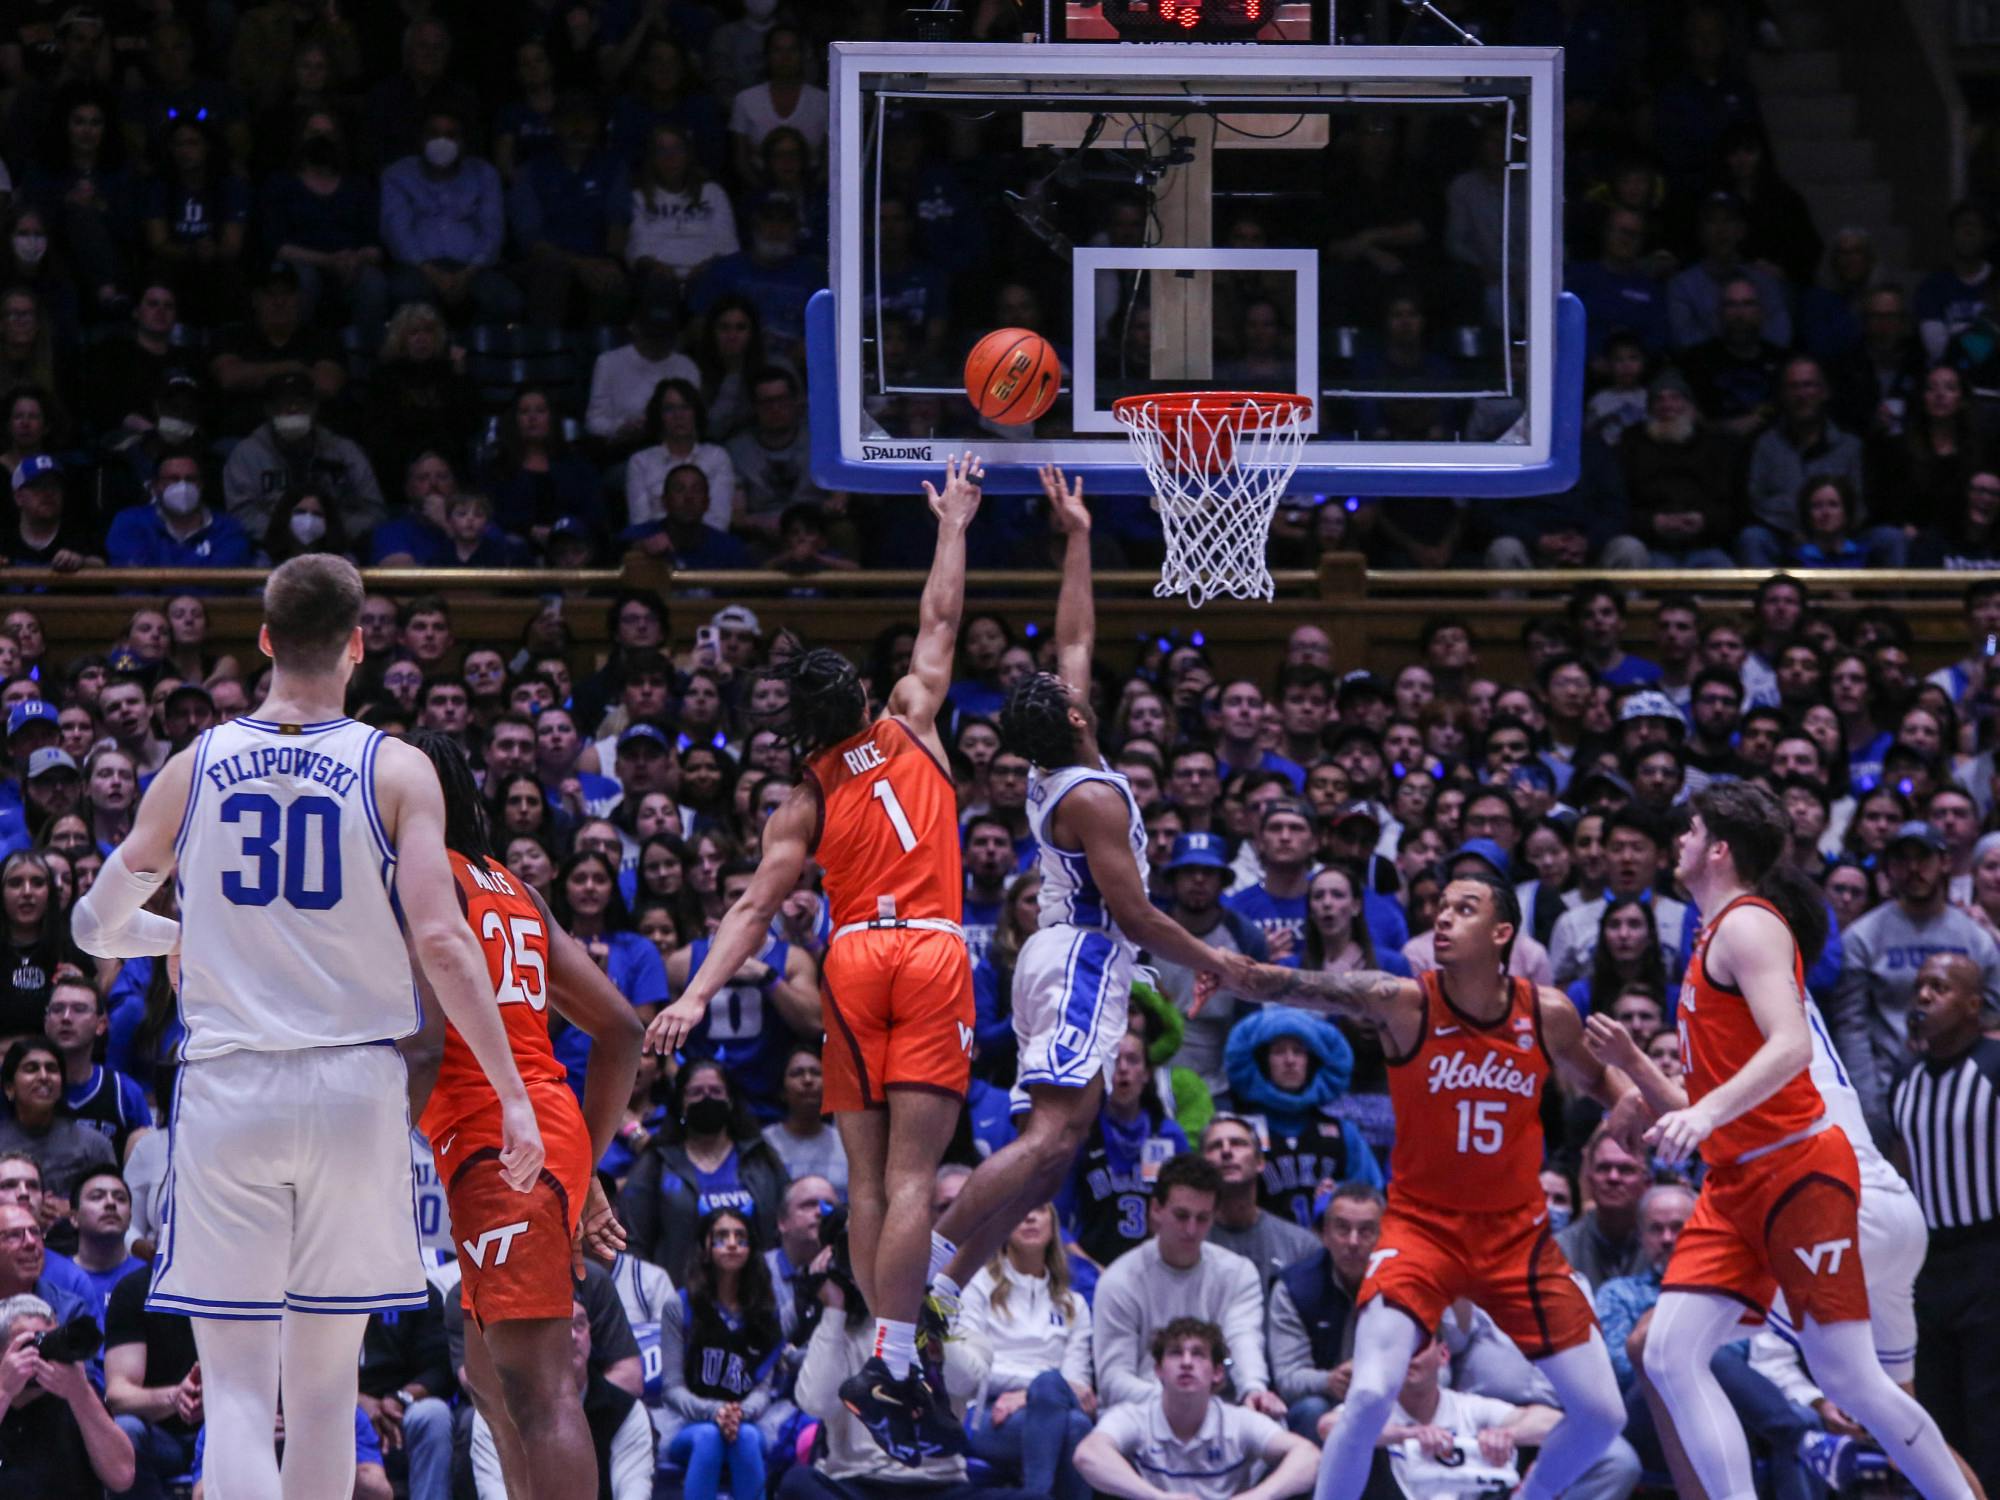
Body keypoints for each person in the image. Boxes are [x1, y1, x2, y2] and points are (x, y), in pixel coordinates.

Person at [69, 553, 546, 1500]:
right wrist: (513, 1093)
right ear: (359, 644)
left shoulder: (195, 763)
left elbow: (93, 925)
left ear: (263, 640)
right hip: (353, 1092)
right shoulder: (397, 767)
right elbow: (445, 944)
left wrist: (178, 930)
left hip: (229, 1089)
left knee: (241, 1396)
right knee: (326, 1395)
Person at [648, 454, 988, 1463]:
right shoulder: (913, 719)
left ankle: (874, 1360)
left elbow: (753, 911)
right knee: (920, 1177)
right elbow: (938, 621)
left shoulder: (803, 799)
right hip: (925, 949)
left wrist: (694, 997)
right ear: (859, 696)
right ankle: (888, 1357)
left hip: (849, 961)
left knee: (871, 1182)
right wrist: (954, 521)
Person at [929, 467, 1245, 1327]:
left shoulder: (1059, 761)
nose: (1082, 686)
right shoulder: (1094, 797)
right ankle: (927, 1254)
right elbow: (1137, 915)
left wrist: (1079, 536)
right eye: (1079, 699)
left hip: (1062, 959)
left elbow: (1074, 638)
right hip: (1082, 956)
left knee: (1053, 1156)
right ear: (1074, 721)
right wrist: (1217, 961)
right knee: (1049, 1141)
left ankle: (949, 1283)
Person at [1233, 869, 1645, 1500]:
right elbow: (1299, 984)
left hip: (1518, 1237)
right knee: (1369, 1393)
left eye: (1465, 908)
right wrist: (1215, 962)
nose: (1444, 918)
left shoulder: (1549, 1011)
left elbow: (1599, 1081)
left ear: (1502, 932)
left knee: (1603, 1414)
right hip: (1422, 1227)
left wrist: (1625, 1104)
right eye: (1441, 907)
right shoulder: (1407, 1001)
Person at [1639, 782, 1972, 1500]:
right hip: (1735, 1186)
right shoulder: (1708, 933)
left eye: (1690, 829)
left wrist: (1704, 1114)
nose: (1680, 840)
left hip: (1798, 1173)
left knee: (1850, 1378)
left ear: (1719, 848)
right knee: (1666, 1354)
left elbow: (1791, 1047)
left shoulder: (1751, 925)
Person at [400, 731, 643, 1500]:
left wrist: (372, 1171)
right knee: (488, 1382)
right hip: (539, 1135)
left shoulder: (420, 883)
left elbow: (425, 1047)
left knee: (539, 1393)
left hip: (495, 1143)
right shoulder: (514, 888)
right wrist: (584, 1165)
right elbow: (622, 1029)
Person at [1891, 952, 2000, 1492]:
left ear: (1974, 1005)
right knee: (1933, 1414)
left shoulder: (1995, 1066)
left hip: (1990, 1256)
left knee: (1989, 1411)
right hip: (1927, 1265)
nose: (1924, 996)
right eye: (1919, 986)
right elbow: (1904, 1171)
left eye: (1939, 987)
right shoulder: (1906, 1080)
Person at [1091, 1153, 1283, 1414]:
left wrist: (1253, 1389)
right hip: (1140, 1411)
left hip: (1219, 1409)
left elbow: (1244, 1340)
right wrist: (1184, 1400)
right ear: (1156, 1210)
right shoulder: (1119, 1280)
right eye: (1181, 1216)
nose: (1191, 1230)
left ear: (1214, 1216)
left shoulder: (1238, 1273)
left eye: (1202, 1218)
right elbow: (1113, 1381)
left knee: (1271, 1418)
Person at [1074, 1317, 1320, 1500]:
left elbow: (1309, 1456)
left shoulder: (1238, 1421)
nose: (1187, 1363)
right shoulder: (1134, 1417)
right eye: (1175, 1353)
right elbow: (1087, 1455)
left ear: (1217, 1372)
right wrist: (1157, 1498)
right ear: (1158, 1370)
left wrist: (1257, 1497)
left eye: (1199, 1354)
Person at [958, 1202, 1095, 1500]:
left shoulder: (1074, 1304)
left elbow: (1080, 1389)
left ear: (1053, 1223)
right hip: (984, 1413)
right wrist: (1038, 1387)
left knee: (1073, 1422)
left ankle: (1035, 1493)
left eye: (1040, 1208)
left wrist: (1034, 1393)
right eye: (1020, 1209)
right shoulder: (977, 1287)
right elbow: (970, 1370)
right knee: (1066, 1412)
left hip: (1053, 1408)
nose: (1030, 1216)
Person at [1324, 1331, 1561, 1500]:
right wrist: (1407, 1435)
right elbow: (1328, 1427)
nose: (1409, 1356)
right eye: (1401, 1348)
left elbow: (1552, 1422)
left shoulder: (1468, 1407)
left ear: (1443, 1354)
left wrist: (1506, 1434)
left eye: (1419, 1346)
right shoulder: (1376, 1409)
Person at [657, 1207, 791, 1500]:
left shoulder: (766, 1314)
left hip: (749, 1422)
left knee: (746, 1438)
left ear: (751, 1248)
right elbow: (672, 1389)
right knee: (709, 1437)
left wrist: (739, 1413)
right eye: (721, 1236)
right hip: (687, 1424)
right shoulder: (679, 1307)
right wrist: (715, 1412)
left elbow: (763, 1390)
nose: (732, 1243)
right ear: (705, 1247)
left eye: (740, 1237)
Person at [1267, 1183, 1385, 1440]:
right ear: (1325, 1234)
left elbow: (1439, 1370)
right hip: (1325, 1402)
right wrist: (1329, 1381)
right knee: (1312, 1409)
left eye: (1366, 1231)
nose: (1353, 1242)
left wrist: (1387, 1379)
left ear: (1383, 1236)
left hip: (1391, 1397)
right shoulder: (1295, 1287)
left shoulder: (1405, 1286)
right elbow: (1288, 1377)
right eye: (1342, 1229)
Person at [0, 1291, 137, 1496]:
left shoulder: (77, 1396)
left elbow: (123, 1476)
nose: (40, 1355)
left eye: (47, 1342)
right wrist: (4, 1390)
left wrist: (81, 1395)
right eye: (29, 1345)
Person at [1200, 1115, 1319, 1293]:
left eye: (1238, 1143)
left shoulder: (1301, 1247)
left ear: (1260, 1162)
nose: (1226, 1151)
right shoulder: (1188, 1242)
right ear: (1202, 1164)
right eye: (1215, 1146)